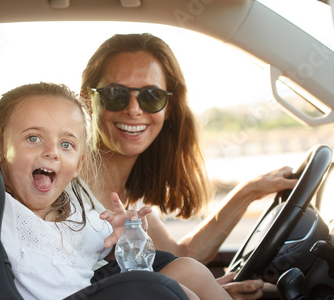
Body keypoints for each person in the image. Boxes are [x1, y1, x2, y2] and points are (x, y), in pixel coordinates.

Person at [0, 0, 232, 300]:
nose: (51, 151)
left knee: (191, 272)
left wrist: (121, 237)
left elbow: (118, 257)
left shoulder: (79, 213)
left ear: (78, 165)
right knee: (170, 292)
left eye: (66, 144)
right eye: (33, 138)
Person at [80, 33, 300, 299]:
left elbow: (179, 257)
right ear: (86, 99)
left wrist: (249, 192)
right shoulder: (66, 184)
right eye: (115, 94)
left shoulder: (132, 201)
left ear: (169, 107)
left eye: (152, 96)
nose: (134, 109)